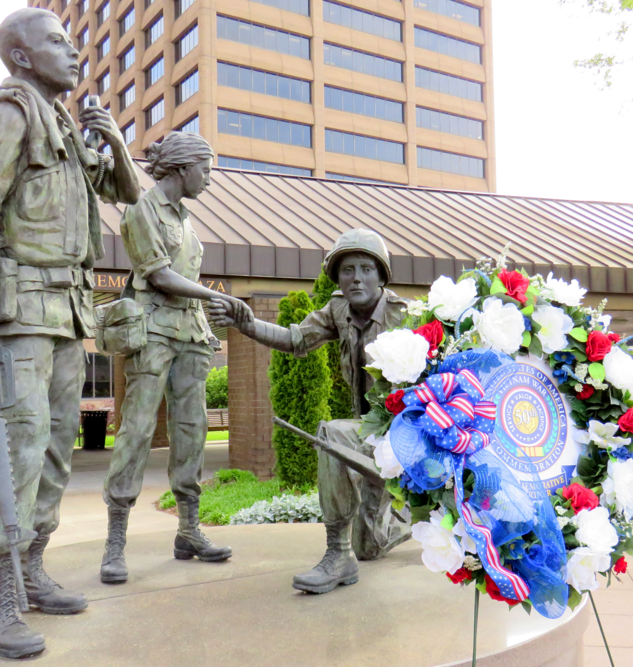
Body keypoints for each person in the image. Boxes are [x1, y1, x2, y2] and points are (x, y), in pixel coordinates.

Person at [0, 7, 141, 659]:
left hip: (67, 314)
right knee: (19, 452)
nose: (74, 49)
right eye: (59, 41)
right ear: (22, 57)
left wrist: (115, 138)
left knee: (56, 450)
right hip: (19, 311)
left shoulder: (68, 130)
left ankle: (32, 567)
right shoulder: (12, 115)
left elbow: (129, 191)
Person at [206, 229, 410, 594]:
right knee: (370, 546)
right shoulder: (338, 308)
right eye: (348, 270)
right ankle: (392, 525)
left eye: (366, 268)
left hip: (402, 433)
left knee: (332, 432)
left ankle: (340, 553)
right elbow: (296, 339)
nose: (357, 278)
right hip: (367, 431)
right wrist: (245, 324)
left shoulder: (406, 317)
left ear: (382, 276)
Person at [99, 132, 244, 584]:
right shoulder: (142, 209)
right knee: (137, 431)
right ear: (182, 168)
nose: (208, 179)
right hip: (153, 332)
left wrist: (206, 310)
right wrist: (215, 296)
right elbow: (158, 275)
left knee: (192, 431)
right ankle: (115, 542)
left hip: (189, 335)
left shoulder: (187, 220)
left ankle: (189, 531)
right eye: (205, 169)